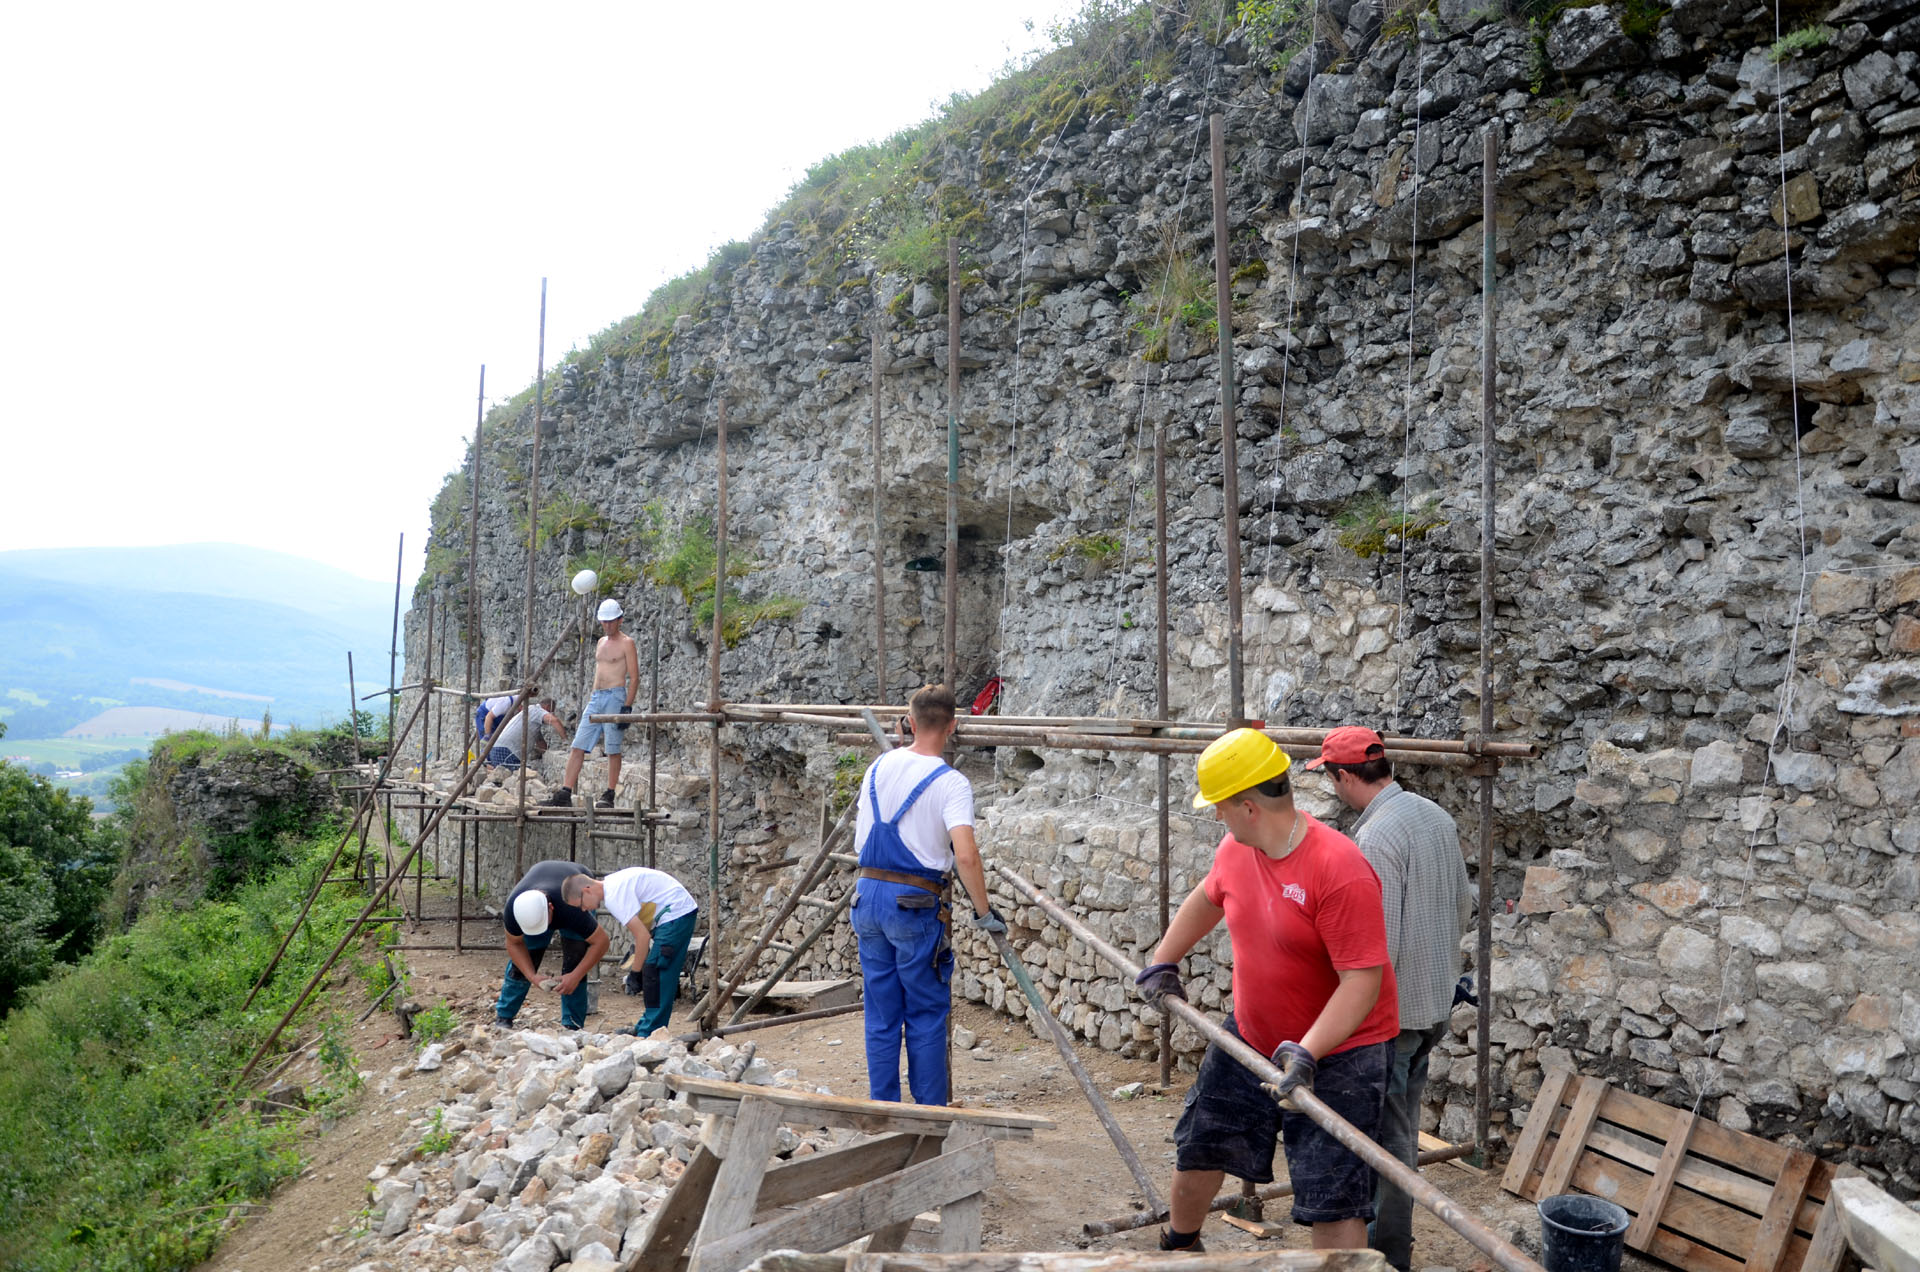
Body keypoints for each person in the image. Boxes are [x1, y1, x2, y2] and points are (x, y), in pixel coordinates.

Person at [1135, 728, 1399, 1254]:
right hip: (1251, 1035)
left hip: (1340, 1055)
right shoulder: (1237, 846)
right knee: (1201, 1144)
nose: (1215, 816)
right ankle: (1180, 1248)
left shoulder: (1339, 869)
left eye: (1220, 806)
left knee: (1334, 1193)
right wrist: (1164, 958)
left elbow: (1362, 981)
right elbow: (1210, 897)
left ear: (1249, 806)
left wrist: (1309, 1051)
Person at [1308, 726, 1472, 1272]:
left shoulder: (1374, 839)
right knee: (1399, 1128)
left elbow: (1377, 945)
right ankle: (1389, 1245)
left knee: (1387, 1143)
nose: (1332, 788)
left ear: (1345, 777)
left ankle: (1387, 1254)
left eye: (1331, 779)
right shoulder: (1436, 817)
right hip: (1434, 1002)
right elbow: (1463, 910)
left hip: (1393, 1017)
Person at [852, 683, 1004, 1105]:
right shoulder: (951, 783)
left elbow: (860, 837)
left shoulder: (878, 768)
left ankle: (883, 1110)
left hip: (866, 897)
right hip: (914, 905)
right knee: (924, 1013)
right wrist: (983, 911)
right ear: (953, 726)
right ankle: (930, 1118)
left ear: (910, 722)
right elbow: (967, 856)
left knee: (882, 1014)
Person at [566, 866, 699, 1037]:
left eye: (581, 904)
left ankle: (650, 1031)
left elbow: (642, 936)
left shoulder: (614, 897)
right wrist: (638, 965)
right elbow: (642, 932)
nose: (584, 910)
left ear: (587, 890)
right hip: (672, 912)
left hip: (677, 912)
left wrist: (635, 973)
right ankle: (646, 1025)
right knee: (653, 970)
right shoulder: (612, 884)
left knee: (657, 971)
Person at [546, 599, 640, 809]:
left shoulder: (627, 643)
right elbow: (599, 672)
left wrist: (627, 706)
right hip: (597, 697)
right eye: (604, 622)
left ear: (619, 620)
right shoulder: (601, 643)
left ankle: (610, 793)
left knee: (612, 747)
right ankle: (565, 791)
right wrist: (592, 695)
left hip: (616, 696)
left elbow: (634, 677)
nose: (606, 625)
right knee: (579, 743)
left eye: (610, 622)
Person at [495, 859, 610, 1030]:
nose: (544, 929)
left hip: (574, 889)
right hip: (543, 884)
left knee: (575, 958)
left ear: (550, 908)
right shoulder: (514, 909)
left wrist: (575, 976)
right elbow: (514, 944)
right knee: (528, 957)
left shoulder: (574, 907)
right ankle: (504, 1016)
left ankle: (573, 1024)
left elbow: (601, 942)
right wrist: (532, 976)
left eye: (544, 923)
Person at [485, 696, 561, 773]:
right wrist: (565, 741)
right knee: (514, 778)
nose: (550, 714)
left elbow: (540, 742)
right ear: (547, 707)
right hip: (507, 752)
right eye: (551, 712)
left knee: (502, 777)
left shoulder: (530, 717)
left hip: (496, 750)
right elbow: (555, 721)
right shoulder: (537, 711)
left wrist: (547, 752)